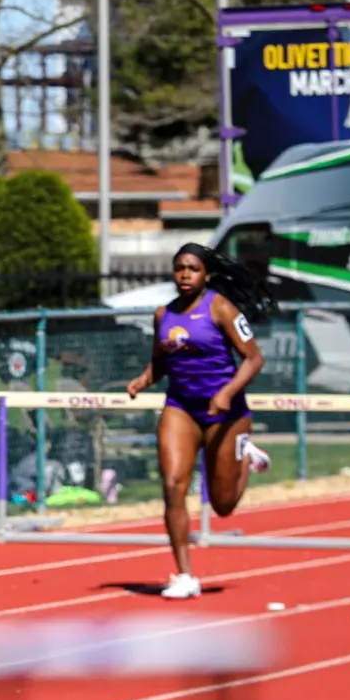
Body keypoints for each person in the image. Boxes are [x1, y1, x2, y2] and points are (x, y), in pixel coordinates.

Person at [124, 243, 274, 599]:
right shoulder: (163, 315)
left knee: (223, 505)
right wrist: (143, 380)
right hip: (181, 407)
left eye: (192, 269)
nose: (185, 275)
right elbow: (160, 361)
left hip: (227, 412)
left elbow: (253, 359)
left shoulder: (220, 307)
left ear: (205, 274)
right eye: (179, 269)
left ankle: (246, 458)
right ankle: (185, 575)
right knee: (174, 485)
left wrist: (226, 393)